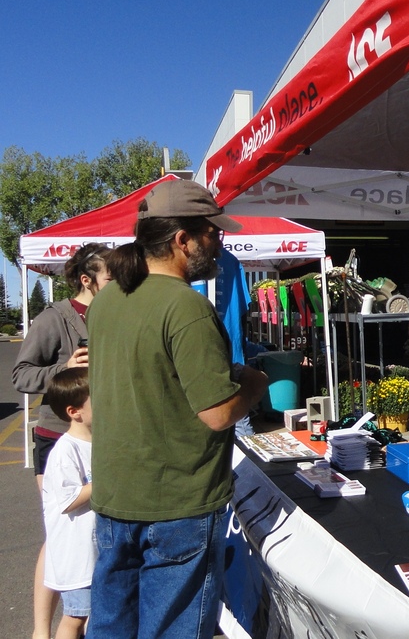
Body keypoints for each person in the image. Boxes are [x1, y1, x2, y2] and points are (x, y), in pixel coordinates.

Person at [85, 179, 269, 639]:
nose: (219, 242)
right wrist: (254, 382)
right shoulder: (186, 307)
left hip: (116, 495)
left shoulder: (107, 299)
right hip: (176, 506)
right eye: (212, 233)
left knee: (111, 627)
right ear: (182, 240)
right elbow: (219, 413)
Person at [12, 242, 111, 639]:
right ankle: (43, 629)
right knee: (60, 531)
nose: (119, 282)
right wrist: (64, 368)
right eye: (110, 276)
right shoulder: (56, 317)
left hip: (103, 433)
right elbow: (20, 375)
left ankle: (85, 614)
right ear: (87, 280)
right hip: (58, 435)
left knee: (90, 533)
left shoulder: (115, 313)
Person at [41, 368, 95, 639]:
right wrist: (108, 482)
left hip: (94, 552)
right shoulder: (66, 449)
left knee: (91, 616)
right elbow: (67, 500)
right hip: (76, 556)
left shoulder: (99, 441)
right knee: (75, 616)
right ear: (75, 411)